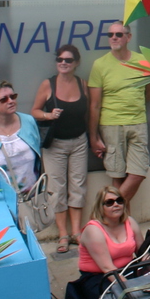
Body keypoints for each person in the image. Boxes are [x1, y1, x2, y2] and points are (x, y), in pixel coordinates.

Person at [31, 44, 90, 253]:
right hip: (55, 144)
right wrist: (48, 115)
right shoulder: (48, 84)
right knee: (57, 189)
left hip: (79, 141)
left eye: (68, 60)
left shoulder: (82, 84)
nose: (63, 63)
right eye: (60, 59)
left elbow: (88, 112)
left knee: (78, 186)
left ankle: (76, 232)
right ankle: (63, 234)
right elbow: (34, 111)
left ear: (76, 63)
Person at [88, 23, 150, 203]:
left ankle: (107, 209)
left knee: (138, 172)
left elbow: (149, 93)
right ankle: (120, 218)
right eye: (110, 35)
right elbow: (94, 105)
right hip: (111, 124)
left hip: (138, 122)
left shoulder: (143, 61)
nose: (114, 38)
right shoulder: (100, 65)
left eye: (118, 34)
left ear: (128, 37)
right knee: (117, 175)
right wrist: (93, 137)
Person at [66, 187, 140, 299]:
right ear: (100, 207)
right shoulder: (93, 230)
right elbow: (107, 268)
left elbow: (143, 252)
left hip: (127, 269)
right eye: (109, 202)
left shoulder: (130, 222)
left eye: (119, 201)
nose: (116, 204)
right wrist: (131, 288)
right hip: (100, 277)